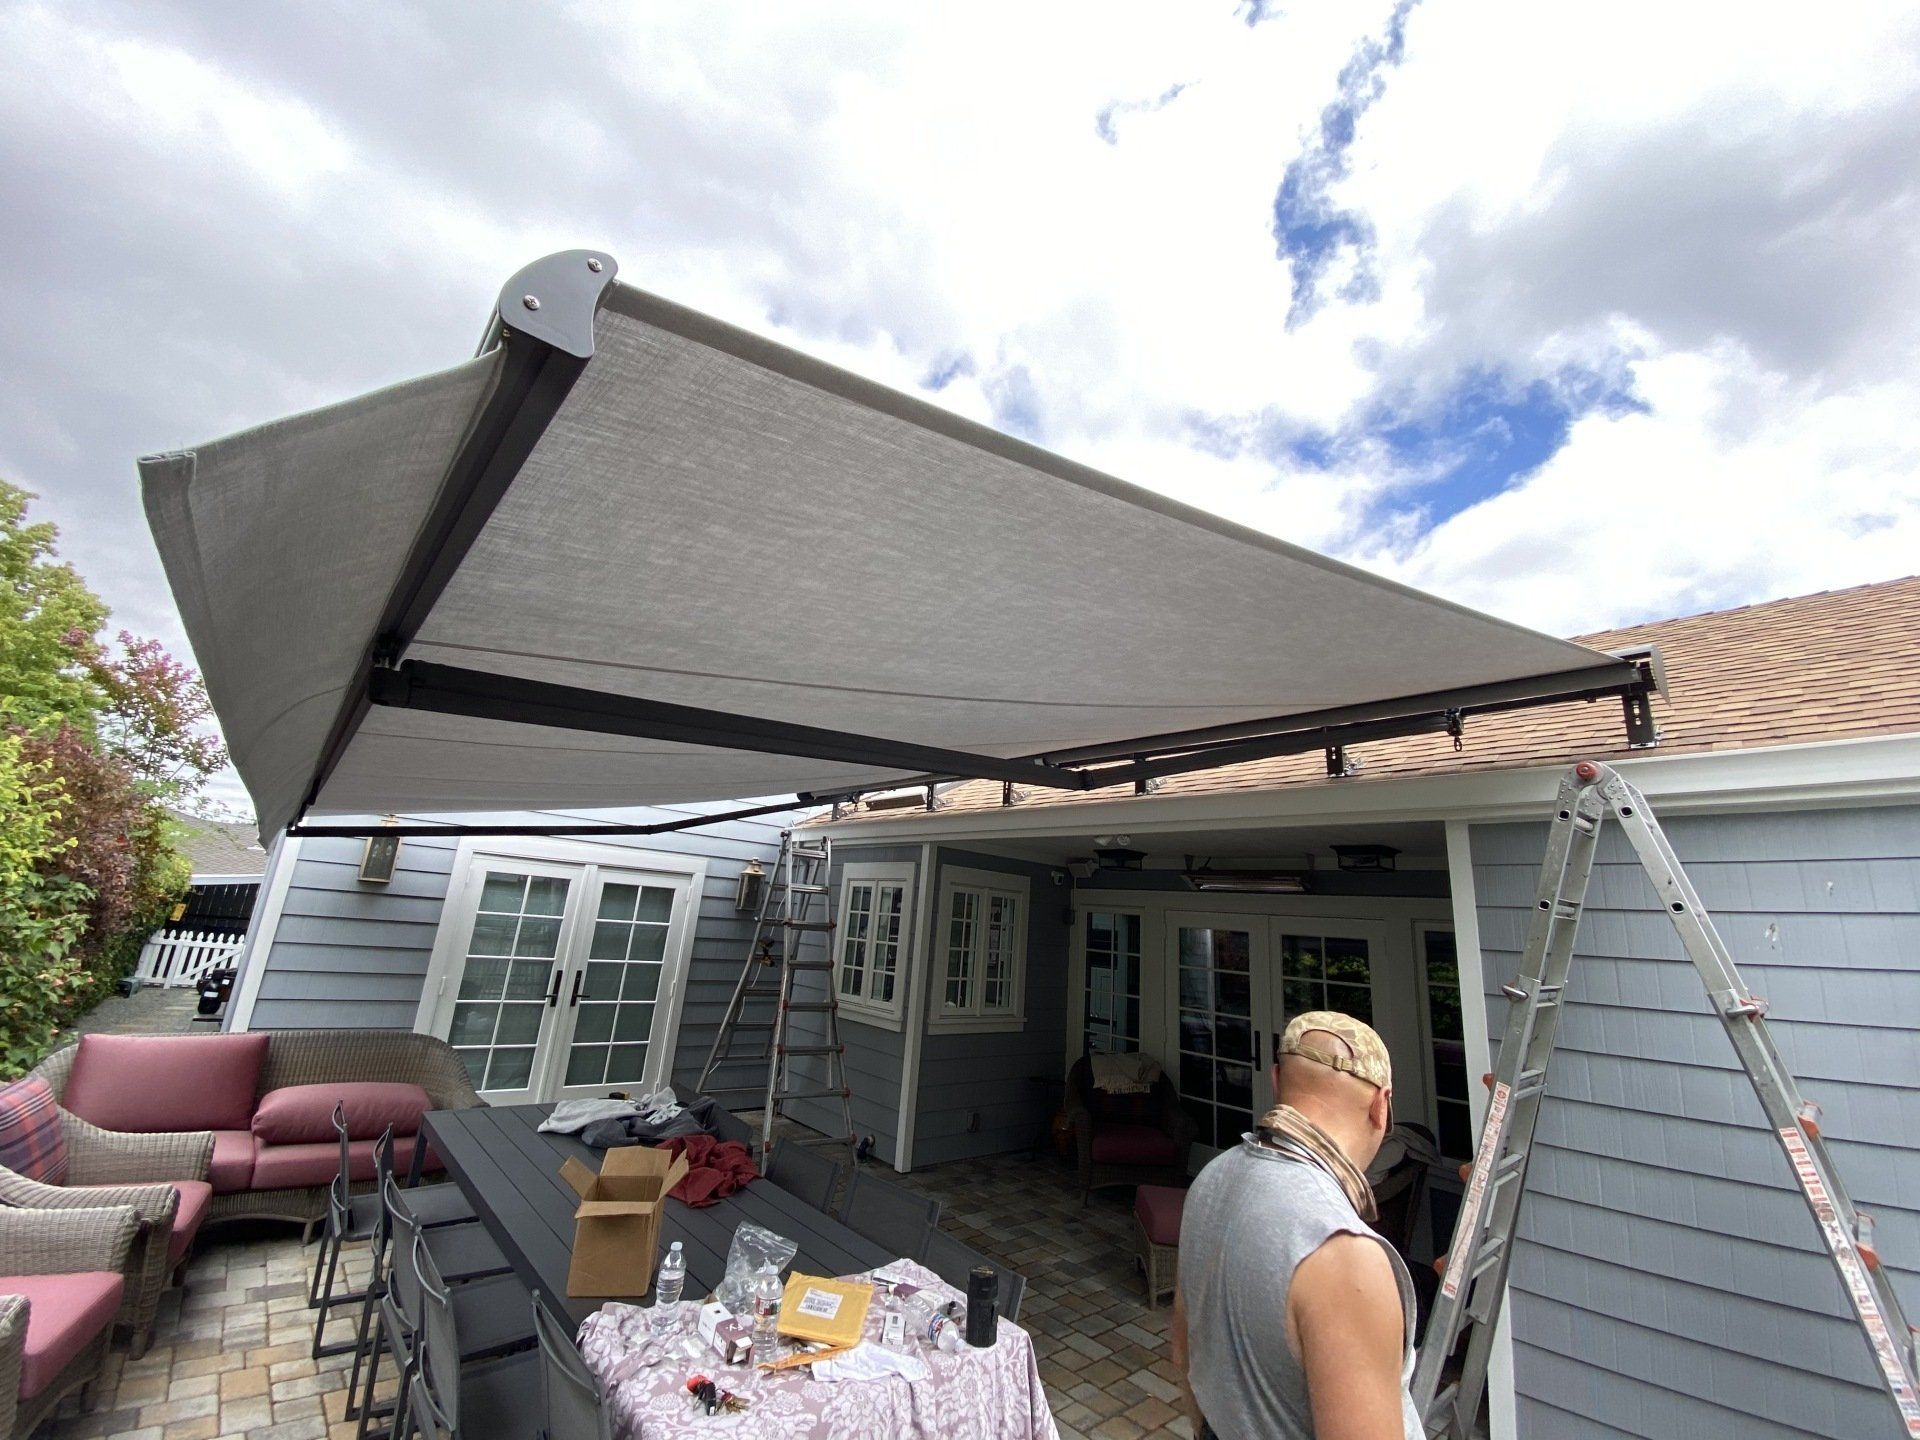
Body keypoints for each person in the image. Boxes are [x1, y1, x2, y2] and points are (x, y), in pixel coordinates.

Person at [1171, 1011, 1422, 1440]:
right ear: (1381, 1105)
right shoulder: (1345, 1255)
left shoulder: (1210, 1180)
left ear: (1275, 1081)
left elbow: (1183, 1350)